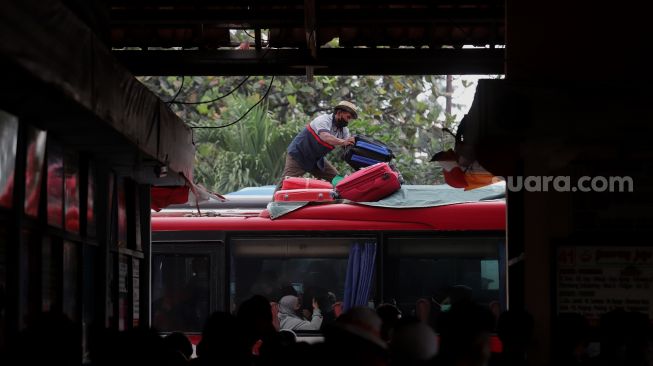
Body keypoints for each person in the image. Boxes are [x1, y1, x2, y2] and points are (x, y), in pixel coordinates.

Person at [278, 101, 358, 188]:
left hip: (316, 160)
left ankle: (339, 200)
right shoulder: (323, 120)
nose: (348, 121)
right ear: (339, 113)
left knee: (337, 180)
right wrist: (343, 142)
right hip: (299, 155)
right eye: (348, 117)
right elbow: (325, 137)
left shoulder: (344, 130)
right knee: (285, 183)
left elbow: (347, 147)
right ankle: (274, 201)